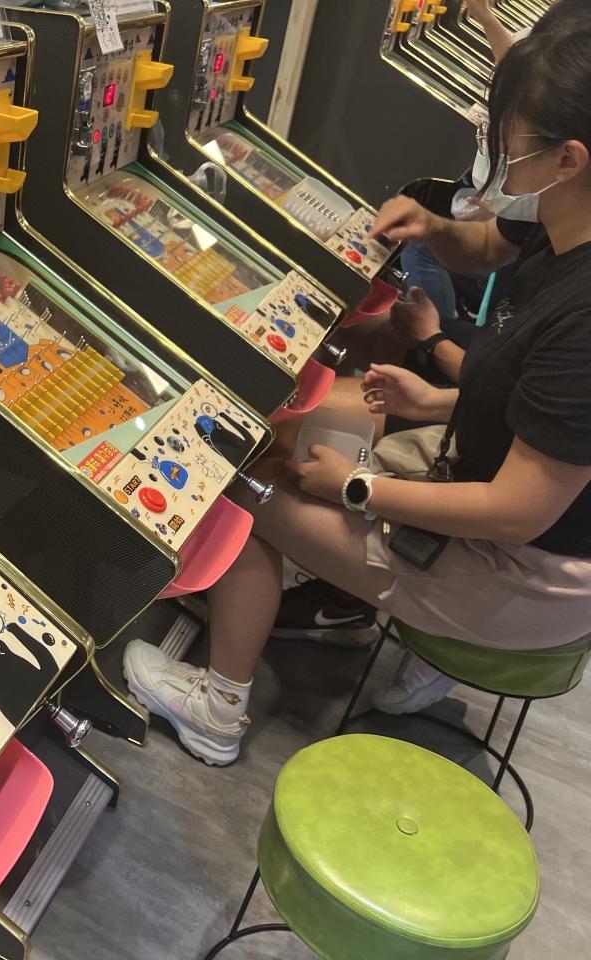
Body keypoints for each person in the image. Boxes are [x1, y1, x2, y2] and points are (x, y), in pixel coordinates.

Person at [123, 24, 591, 767]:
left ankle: (217, 710)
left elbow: (516, 509)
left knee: (232, 482)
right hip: (474, 474)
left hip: (522, 575)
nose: (497, 145)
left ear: (568, 159)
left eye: (510, 131)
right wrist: (433, 399)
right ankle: (339, 599)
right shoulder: (563, 226)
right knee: (285, 432)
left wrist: (357, 488)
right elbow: (538, 408)